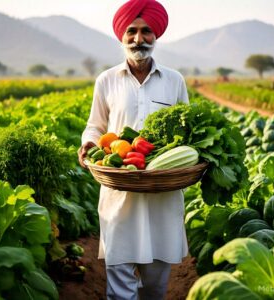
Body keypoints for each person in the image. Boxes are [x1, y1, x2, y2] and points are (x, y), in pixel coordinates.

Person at [78, 0, 189, 299]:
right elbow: (95, 126)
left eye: (146, 31)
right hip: (120, 190)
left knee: (155, 284)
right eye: (132, 31)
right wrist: (88, 142)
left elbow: (187, 131)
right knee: (120, 283)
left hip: (161, 193)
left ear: (156, 36)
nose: (138, 39)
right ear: (122, 36)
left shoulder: (174, 80)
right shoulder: (106, 80)